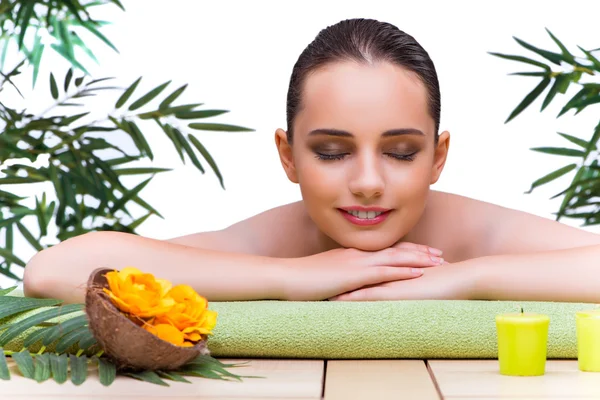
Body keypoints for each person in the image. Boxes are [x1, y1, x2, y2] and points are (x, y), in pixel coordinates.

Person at [23, 18, 600, 305]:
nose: (369, 182)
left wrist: (467, 279)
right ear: (288, 155)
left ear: (437, 157)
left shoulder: (477, 234)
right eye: (331, 151)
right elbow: (52, 271)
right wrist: (292, 276)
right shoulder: (277, 240)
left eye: (401, 152)